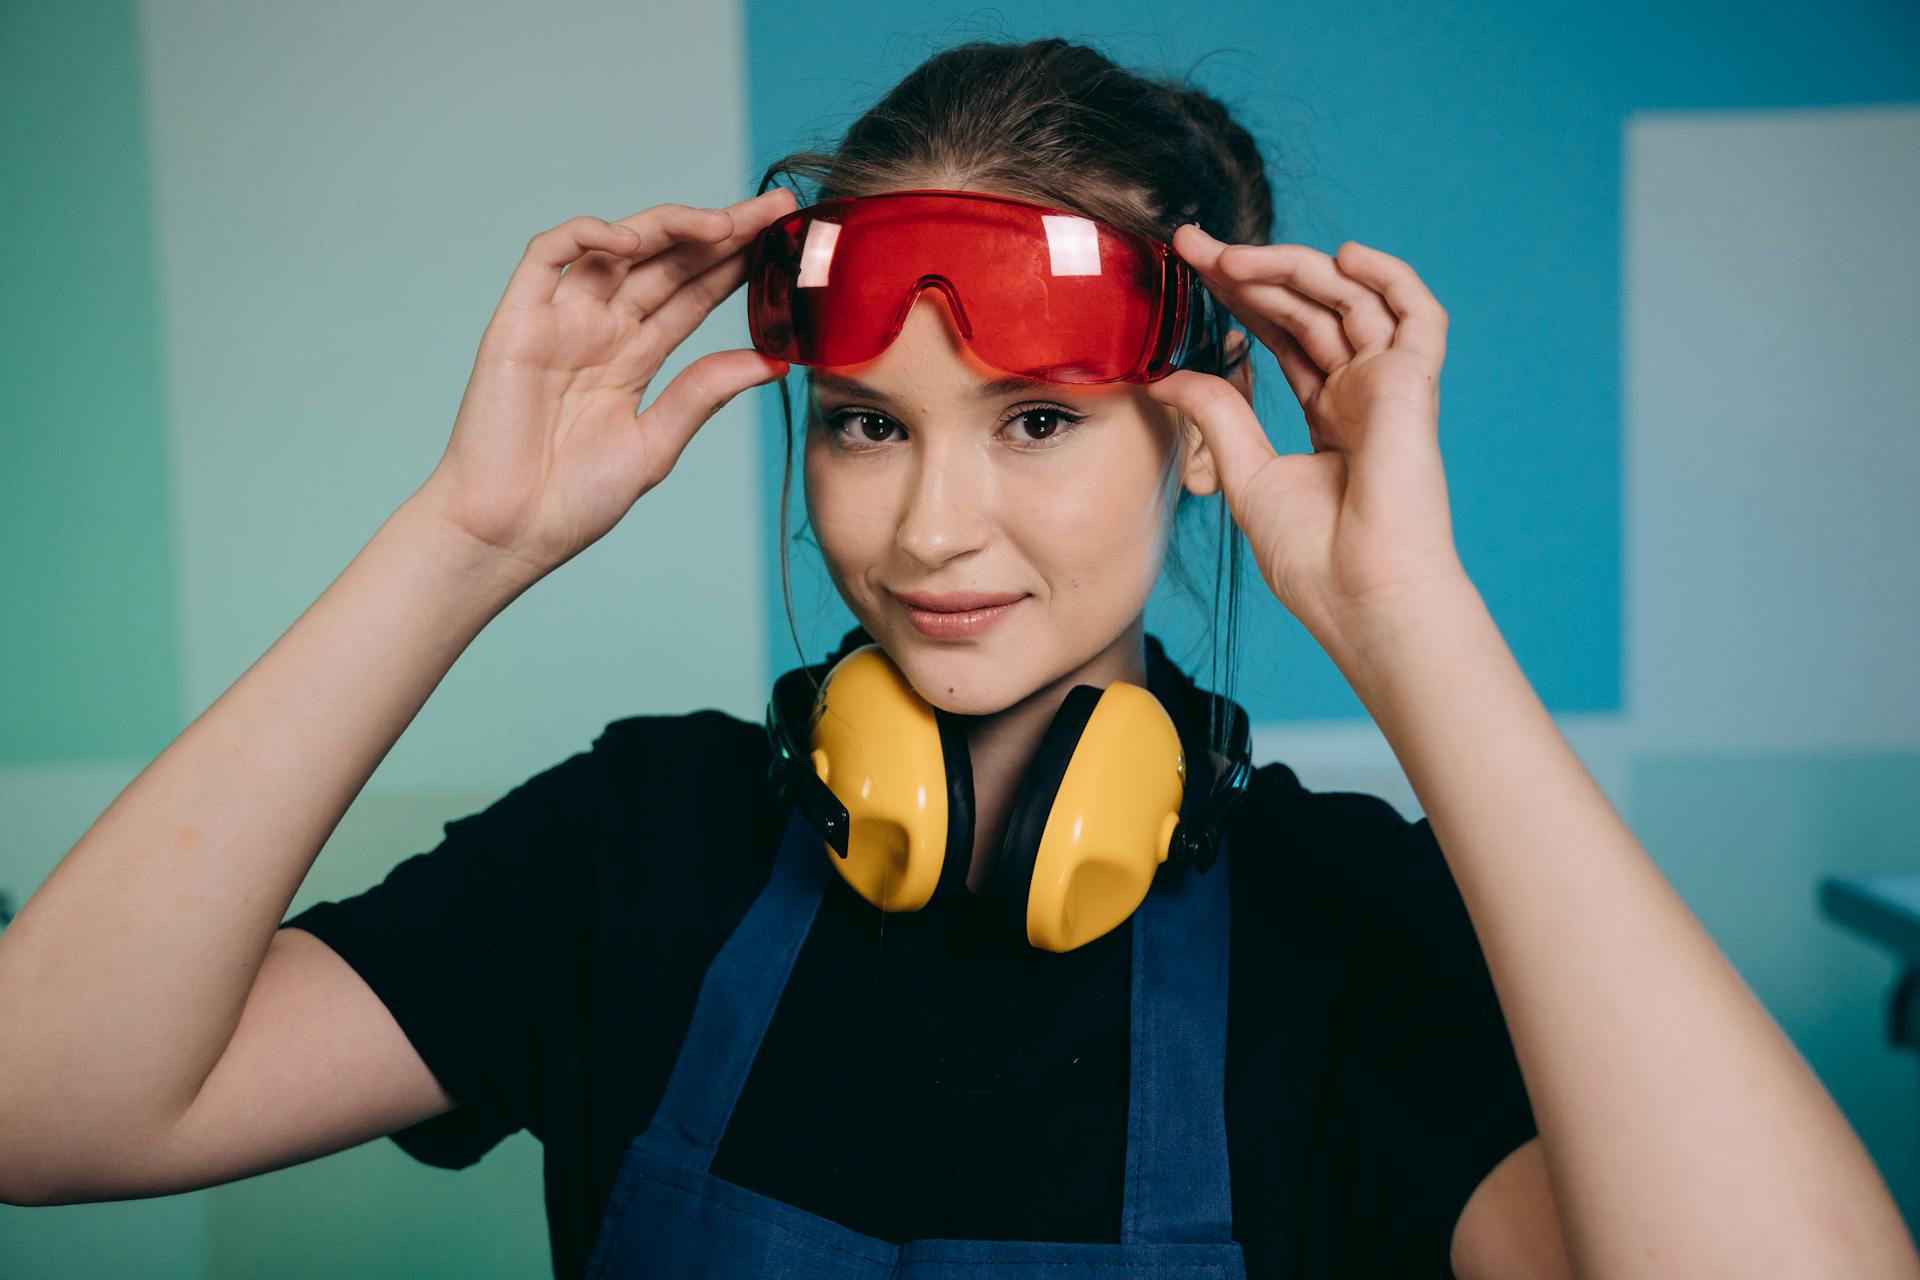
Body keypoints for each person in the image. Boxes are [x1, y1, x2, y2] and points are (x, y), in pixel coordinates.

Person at [0, 32, 1913, 1280]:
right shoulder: (634, 846)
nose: (926, 532)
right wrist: (463, 541)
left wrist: (1415, 626)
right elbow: (42, 1110)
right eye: (865, 422)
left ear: (1193, 420)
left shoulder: (1350, 932)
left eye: (1038, 420)